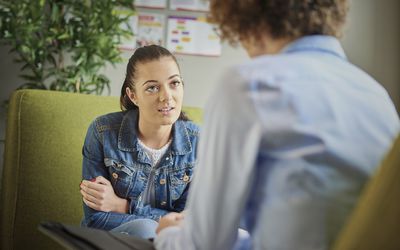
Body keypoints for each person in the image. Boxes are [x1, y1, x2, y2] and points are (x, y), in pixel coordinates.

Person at [154, 0, 400, 249]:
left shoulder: (249, 84)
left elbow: (204, 245)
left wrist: (168, 234)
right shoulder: (378, 96)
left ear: (247, 18)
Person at [79, 45, 199, 239]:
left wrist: (122, 206)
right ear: (133, 95)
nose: (167, 96)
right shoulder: (102, 132)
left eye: (174, 83)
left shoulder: (198, 143)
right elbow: (96, 219)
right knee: (145, 230)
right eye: (152, 88)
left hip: (173, 243)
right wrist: (160, 223)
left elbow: (189, 223)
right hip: (109, 238)